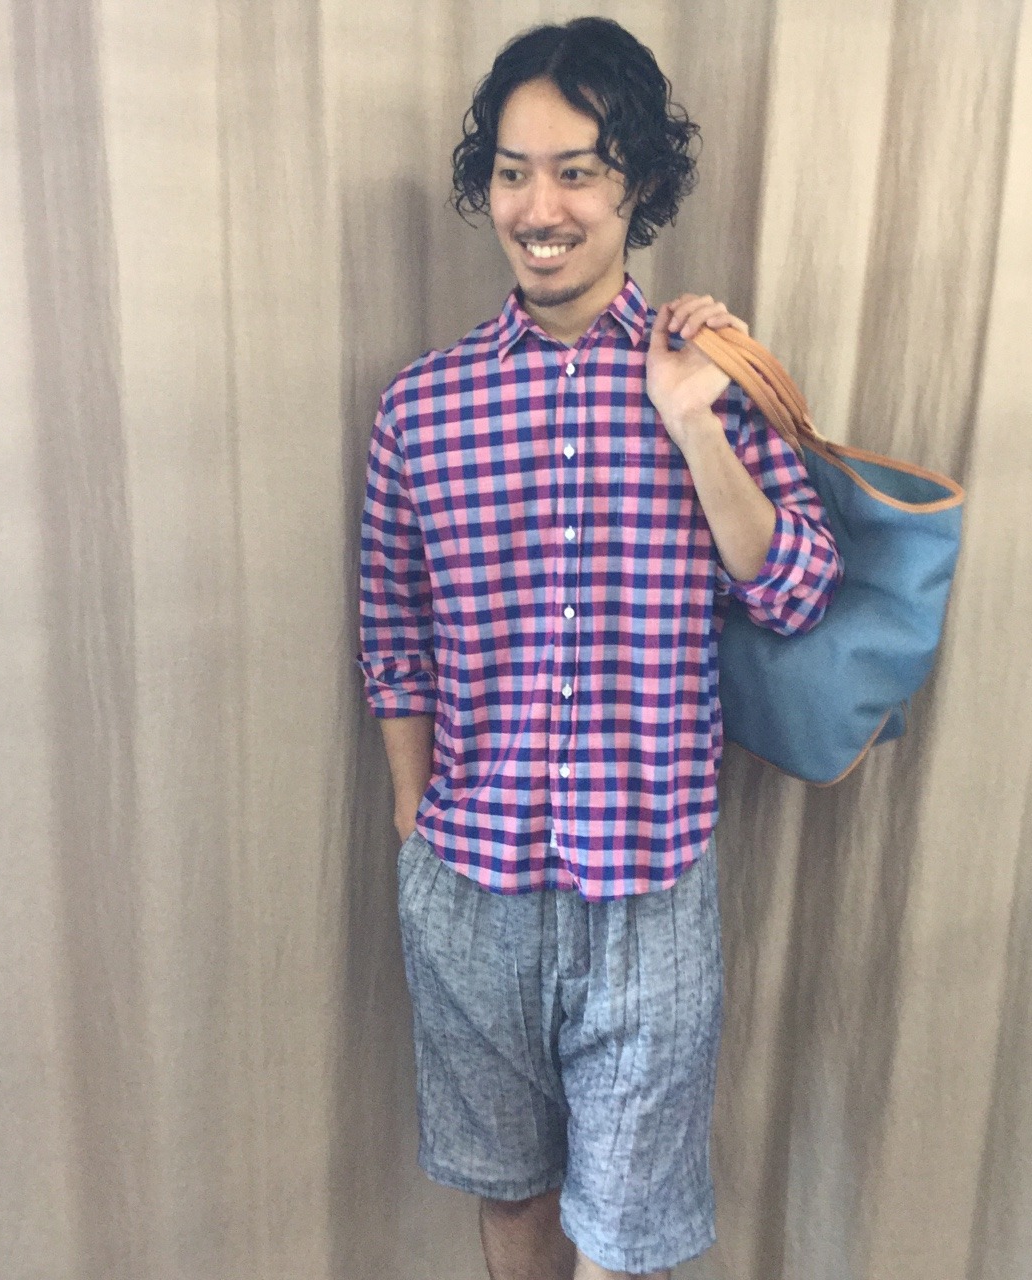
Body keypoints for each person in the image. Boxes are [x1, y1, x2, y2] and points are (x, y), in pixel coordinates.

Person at [357, 17, 841, 1280]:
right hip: (471, 886)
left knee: (627, 1240)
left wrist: (693, 423)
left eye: (576, 170)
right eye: (513, 172)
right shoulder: (421, 408)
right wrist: (415, 822)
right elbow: (394, 632)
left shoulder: (710, 382)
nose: (541, 207)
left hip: (648, 889)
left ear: (636, 183)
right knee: (512, 1194)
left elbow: (794, 592)